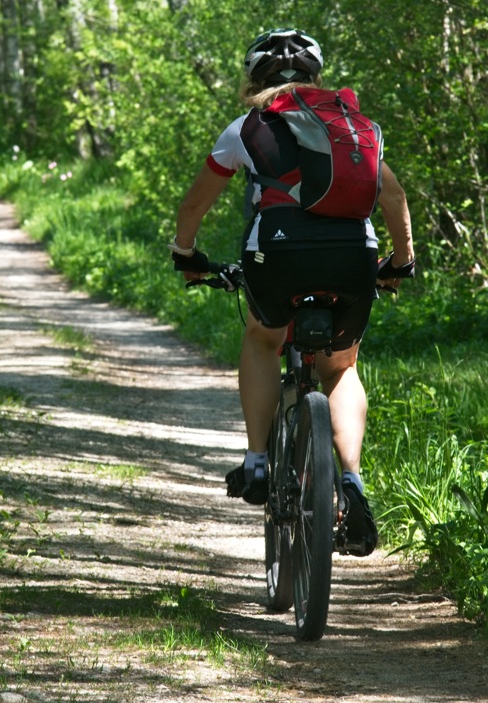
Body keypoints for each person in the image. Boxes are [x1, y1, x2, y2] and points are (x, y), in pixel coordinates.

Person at [170, 28, 415, 556]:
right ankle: (352, 481)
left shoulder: (246, 128)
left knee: (263, 337)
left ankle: (257, 461)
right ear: (315, 77)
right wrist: (400, 262)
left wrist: (186, 256)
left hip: (277, 256)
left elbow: (194, 207)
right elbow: (391, 193)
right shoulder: (352, 125)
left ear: (253, 79)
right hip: (353, 256)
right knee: (341, 368)